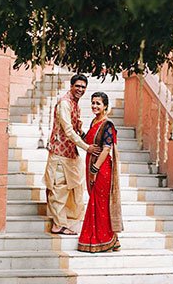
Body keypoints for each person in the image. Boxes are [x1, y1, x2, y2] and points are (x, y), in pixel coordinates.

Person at [43, 74, 100, 236]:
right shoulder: (65, 104)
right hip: (59, 152)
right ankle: (58, 224)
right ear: (72, 85)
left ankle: (66, 220)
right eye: (78, 86)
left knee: (75, 185)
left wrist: (91, 138)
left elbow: (77, 129)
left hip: (71, 152)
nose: (80, 89)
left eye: (83, 87)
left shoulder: (75, 104)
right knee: (59, 187)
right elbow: (68, 130)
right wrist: (87, 147)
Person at [77, 91, 123, 252]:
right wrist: (80, 131)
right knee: (95, 201)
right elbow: (89, 142)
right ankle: (112, 240)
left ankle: (107, 239)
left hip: (101, 168)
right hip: (91, 164)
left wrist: (95, 168)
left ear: (105, 106)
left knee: (100, 203)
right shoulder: (94, 122)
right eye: (93, 103)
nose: (95, 106)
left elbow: (106, 148)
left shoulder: (107, 124)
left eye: (98, 103)